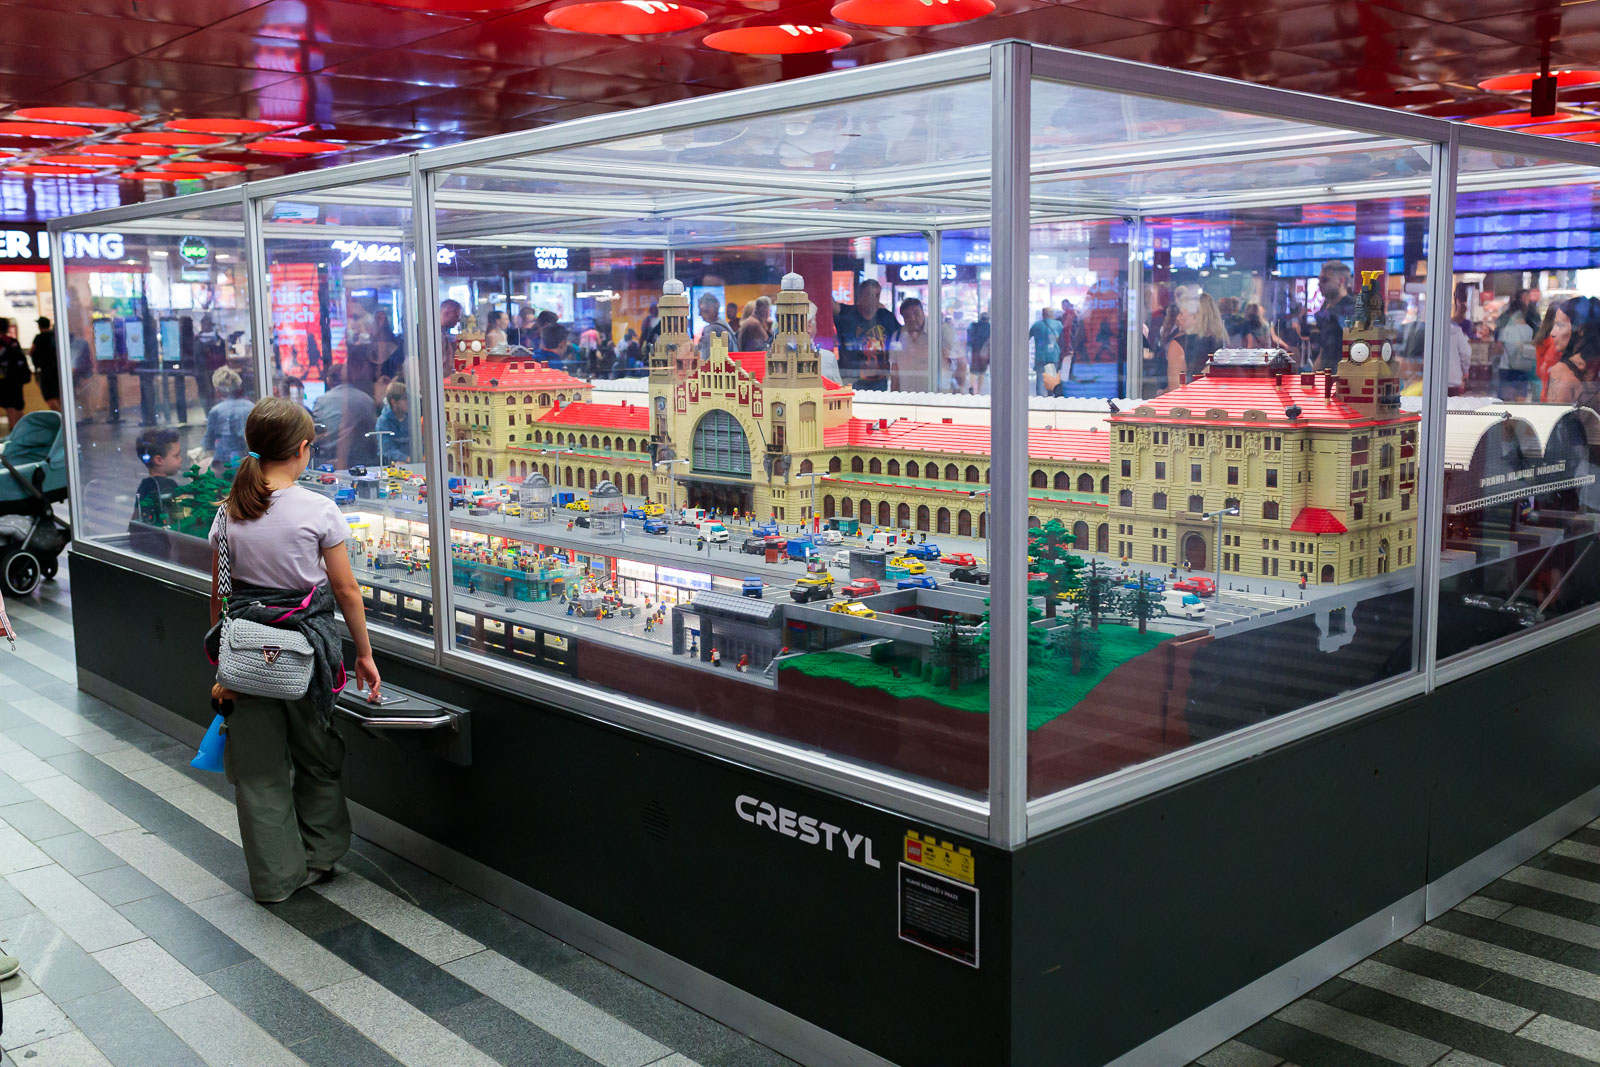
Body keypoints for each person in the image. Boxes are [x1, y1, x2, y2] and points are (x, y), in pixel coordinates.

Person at [206, 397, 381, 903]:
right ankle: (320, 856)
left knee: (258, 772)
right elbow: (346, 591)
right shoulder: (318, 509)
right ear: (303, 448)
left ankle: (274, 881)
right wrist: (364, 654)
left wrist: (222, 665)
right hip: (308, 653)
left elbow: (219, 596)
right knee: (316, 756)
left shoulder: (228, 511)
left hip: (246, 654)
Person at [835, 278, 898, 391]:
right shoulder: (847, 314)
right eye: (869, 295)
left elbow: (903, 336)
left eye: (877, 295)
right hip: (852, 381)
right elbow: (830, 305)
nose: (873, 300)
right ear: (860, 296)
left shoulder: (886, 317)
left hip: (880, 383)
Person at [312, 362, 378, 469]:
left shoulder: (321, 400)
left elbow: (316, 430)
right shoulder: (367, 399)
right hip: (365, 459)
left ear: (329, 380)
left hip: (330, 459)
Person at [1166, 293, 1230, 387]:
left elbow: (1175, 389)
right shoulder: (1222, 343)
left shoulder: (1179, 345)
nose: (1177, 318)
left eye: (1181, 313)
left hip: (1193, 395)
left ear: (1196, 317)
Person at [1546, 297, 1600, 408]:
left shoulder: (1562, 371)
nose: (1553, 333)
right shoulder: (1593, 366)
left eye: (1560, 325)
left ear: (1580, 329)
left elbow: (1556, 416)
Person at [204, 367, 253, 470]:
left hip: (224, 462)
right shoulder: (251, 406)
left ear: (217, 391)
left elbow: (208, 442)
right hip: (250, 459)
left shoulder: (216, 411)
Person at [133, 427, 183, 524]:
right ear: (158, 460)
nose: (180, 459)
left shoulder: (145, 485)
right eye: (176, 456)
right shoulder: (169, 485)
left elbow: (136, 516)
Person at [1312, 261, 1356, 372]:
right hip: (1327, 374)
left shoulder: (1353, 309)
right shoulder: (1324, 310)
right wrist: (1314, 374)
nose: (1319, 284)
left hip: (1347, 375)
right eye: (1319, 280)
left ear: (1341, 281)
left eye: (1325, 280)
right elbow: (1323, 351)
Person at [1534, 302, 1573, 399]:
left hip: (1546, 392)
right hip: (1554, 394)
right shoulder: (1556, 343)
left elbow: (1540, 371)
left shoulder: (1542, 337)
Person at [0, 318, 28, 433]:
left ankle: (14, 430)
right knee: (18, 404)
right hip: (17, 378)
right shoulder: (13, 342)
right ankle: (22, 430)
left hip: (5, 379)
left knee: (9, 405)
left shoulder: (2, 343)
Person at [375, 380, 411, 463]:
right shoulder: (383, 422)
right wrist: (406, 459)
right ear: (393, 402)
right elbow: (387, 450)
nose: (408, 402)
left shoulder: (411, 418)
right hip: (393, 465)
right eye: (404, 399)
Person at [1028, 308, 1062, 396]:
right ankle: (1051, 398)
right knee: (1052, 379)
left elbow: (1027, 337)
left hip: (1040, 356)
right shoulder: (1058, 325)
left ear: (1043, 315)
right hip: (1053, 356)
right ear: (1052, 314)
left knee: (1040, 379)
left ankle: (1041, 399)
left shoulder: (1037, 325)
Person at [29, 317, 59, 412]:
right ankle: (62, 414)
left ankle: (59, 415)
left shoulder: (39, 337)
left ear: (39, 326)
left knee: (48, 397)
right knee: (58, 395)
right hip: (57, 370)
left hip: (46, 370)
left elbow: (31, 352)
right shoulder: (54, 336)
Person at [1058, 297, 1087, 380]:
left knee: (1067, 360)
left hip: (1069, 342)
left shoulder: (1068, 315)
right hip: (1072, 342)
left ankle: (1067, 376)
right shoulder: (1074, 314)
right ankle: (1069, 376)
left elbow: (1068, 329)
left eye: (1063, 305)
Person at [695, 292, 731, 357]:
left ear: (711, 309)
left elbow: (704, 357)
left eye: (702, 310)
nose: (699, 314)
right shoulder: (725, 325)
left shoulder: (712, 330)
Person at [438, 299, 462, 373]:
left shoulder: (443, 333)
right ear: (446, 313)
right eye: (456, 316)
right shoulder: (430, 334)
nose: (458, 320)